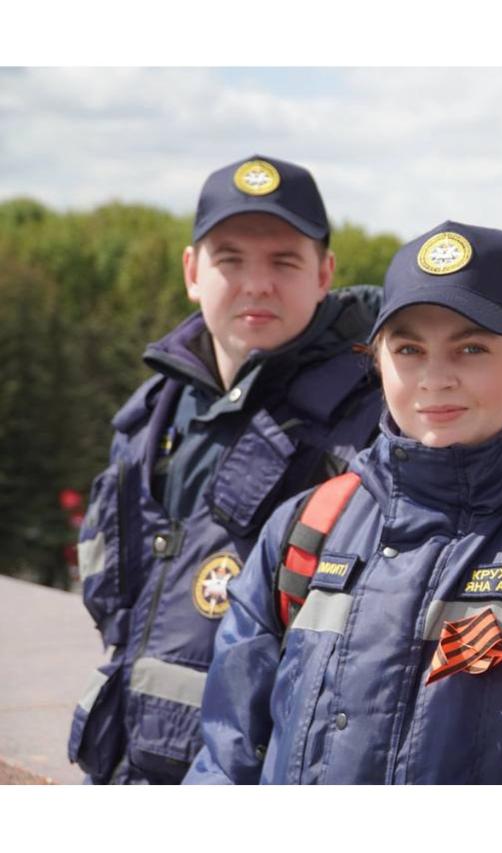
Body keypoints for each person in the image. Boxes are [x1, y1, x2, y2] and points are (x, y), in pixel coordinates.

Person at [184, 221, 502, 784]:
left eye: (471, 348)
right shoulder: (306, 528)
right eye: (409, 349)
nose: (435, 379)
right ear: (377, 361)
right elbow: (225, 762)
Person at [68, 155, 384, 784]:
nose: (256, 284)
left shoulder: (374, 420)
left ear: (324, 274)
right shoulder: (154, 413)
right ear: (193, 272)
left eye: (284, 262)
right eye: (230, 260)